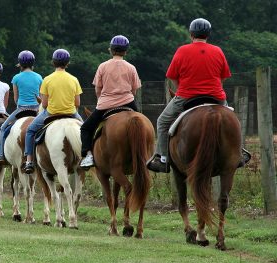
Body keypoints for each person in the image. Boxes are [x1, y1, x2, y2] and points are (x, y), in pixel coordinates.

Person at [146, 18, 251, 173]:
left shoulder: (182, 50)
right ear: (208, 34)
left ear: (191, 34)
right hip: (216, 96)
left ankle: (162, 158)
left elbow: (172, 76)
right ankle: (239, 152)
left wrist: (180, 89)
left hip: (187, 96)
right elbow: (224, 76)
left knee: (162, 121)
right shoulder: (218, 51)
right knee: (233, 120)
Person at [79, 35, 141, 169]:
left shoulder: (103, 66)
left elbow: (98, 89)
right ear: (126, 51)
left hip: (106, 104)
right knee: (142, 124)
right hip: (128, 103)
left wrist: (102, 99)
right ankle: (147, 154)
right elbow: (134, 91)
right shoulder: (131, 67)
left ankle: (88, 156)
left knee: (85, 128)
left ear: (111, 50)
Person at [23, 48, 83, 174]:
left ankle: (29, 160)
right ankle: (89, 156)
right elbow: (77, 103)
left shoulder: (47, 79)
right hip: (71, 113)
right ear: (67, 63)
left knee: (30, 130)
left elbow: (44, 104)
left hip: (50, 113)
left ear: (53, 62)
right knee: (86, 131)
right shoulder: (74, 79)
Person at [0, 50, 43, 165]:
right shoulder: (39, 77)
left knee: (3, 128)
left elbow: (16, 99)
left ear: (20, 64)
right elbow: (41, 96)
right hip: (36, 110)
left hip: (21, 110)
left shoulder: (16, 78)